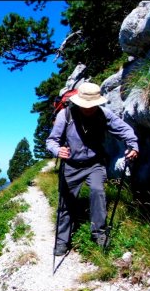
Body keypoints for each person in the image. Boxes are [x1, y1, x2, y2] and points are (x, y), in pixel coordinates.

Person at [46, 82, 139, 256]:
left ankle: (99, 234)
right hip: (71, 166)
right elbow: (51, 141)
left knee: (98, 192)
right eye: (85, 106)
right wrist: (58, 150)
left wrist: (133, 146)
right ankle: (62, 241)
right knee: (66, 202)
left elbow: (124, 129)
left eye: (92, 105)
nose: (89, 109)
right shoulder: (64, 115)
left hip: (94, 164)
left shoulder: (104, 114)